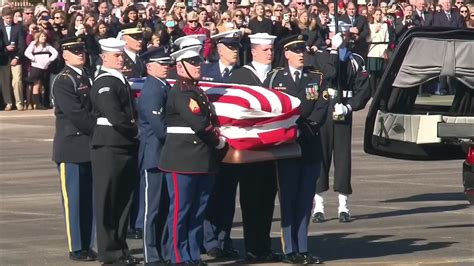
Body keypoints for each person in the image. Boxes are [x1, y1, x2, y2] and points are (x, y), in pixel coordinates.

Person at [158, 36, 228, 265]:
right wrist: (218, 142)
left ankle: (192, 254)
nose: (198, 66)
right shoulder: (181, 92)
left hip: (202, 161)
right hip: (182, 160)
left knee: (198, 211)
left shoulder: (198, 92)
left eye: (199, 62)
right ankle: (177, 256)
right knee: (181, 212)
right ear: (180, 66)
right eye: (193, 62)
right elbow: (199, 123)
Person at [264, 34, 327, 265]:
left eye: (303, 50)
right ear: (286, 54)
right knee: (288, 199)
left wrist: (307, 129)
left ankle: (303, 247)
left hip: (309, 144)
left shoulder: (316, 77)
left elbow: (322, 106)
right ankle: (289, 250)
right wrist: (289, 130)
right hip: (286, 147)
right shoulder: (274, 78)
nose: (301, 54)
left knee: (305, 201)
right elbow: (270, 107)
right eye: (296, 51)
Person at [227, 33, 282, 263]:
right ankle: (252, 246)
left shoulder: (277, 75)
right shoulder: (239, 75)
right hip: (249, 148)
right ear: (254, 51)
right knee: (251, 198)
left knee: (268, 198)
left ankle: (264, 245)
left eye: (271, 49)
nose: (270, 53)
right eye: (266, 50)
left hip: (271, 147)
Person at [311, 28, 371, 223]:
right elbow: (331, 73)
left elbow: (363, 90)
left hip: (343, 110)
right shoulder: (320, 56)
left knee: (343, 159)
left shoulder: (357, 60)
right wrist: (335, 52)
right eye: (336, 34)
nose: (341, 37)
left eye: (344, 34)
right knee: (321, 157)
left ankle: (344, 206)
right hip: (325, 111)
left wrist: (349, 107)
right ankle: (318, 206)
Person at [90, 37, 140, 265]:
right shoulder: (105, 81)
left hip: (123, 144)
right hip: (110, 145)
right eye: (116, 55)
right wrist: (135, 131)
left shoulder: (119, 79)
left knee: (123, 201)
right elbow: (114, 114)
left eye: (122, 55)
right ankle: (109, 253)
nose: (121, 59)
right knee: (107, 201)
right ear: (104, 57)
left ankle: (120, 248)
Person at [51, 36, 97, 262]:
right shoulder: (63, 80)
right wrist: (101, 130)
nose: (81, 53)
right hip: (72, 147)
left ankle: (87, 243)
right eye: (75, 51)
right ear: (65, 55)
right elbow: (76, 114)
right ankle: (77, 247)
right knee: (74, 201)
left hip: (88, 147)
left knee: (88, 200)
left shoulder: (87, 76)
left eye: (82, 50)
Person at [201, 30, 242, 259]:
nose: (235, 51)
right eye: (231, 48)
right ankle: (209, 240)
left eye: (237, 47)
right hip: (209, 144)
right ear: (219, 49)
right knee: (208, 195)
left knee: (227, 196)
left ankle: (224, 239)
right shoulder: (206, 72)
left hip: (232, 146)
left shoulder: (242, 74)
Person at [138, 46, 174, 265]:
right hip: (153, 155)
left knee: (163, 208)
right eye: (162, 64)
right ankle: (151, 254)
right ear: (150, 67)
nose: (166, 68)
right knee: (151, 211)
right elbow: (160, 129)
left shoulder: (163, 86)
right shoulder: (153, 89)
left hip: (164, 155)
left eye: (167, 64)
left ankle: (162, 250)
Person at [24, 30, 58, 110]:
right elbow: (27, 53)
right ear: (38, 37)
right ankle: (37, 103)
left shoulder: (47, 45)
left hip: (45, 67)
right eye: (42, 36)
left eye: (45, 36)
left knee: (42, 85)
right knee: (36, 84)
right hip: (36, 66)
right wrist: (34, 59)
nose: (44, 38)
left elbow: (55, 53)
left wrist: (49, 60)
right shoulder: (34, 44)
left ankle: (41, 102)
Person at [0, 7, 25, 111]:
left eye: (10, 18)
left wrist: (17, 57)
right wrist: (5, 48)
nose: (9, 20)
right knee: (5, 81)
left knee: (17, 81)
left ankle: (19, 103)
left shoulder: (17, 27)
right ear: (2, 17)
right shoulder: (0, 27)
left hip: (16, 57)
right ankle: (8, 103)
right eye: (7, 18)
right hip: (3, 58)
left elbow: (22, 44)